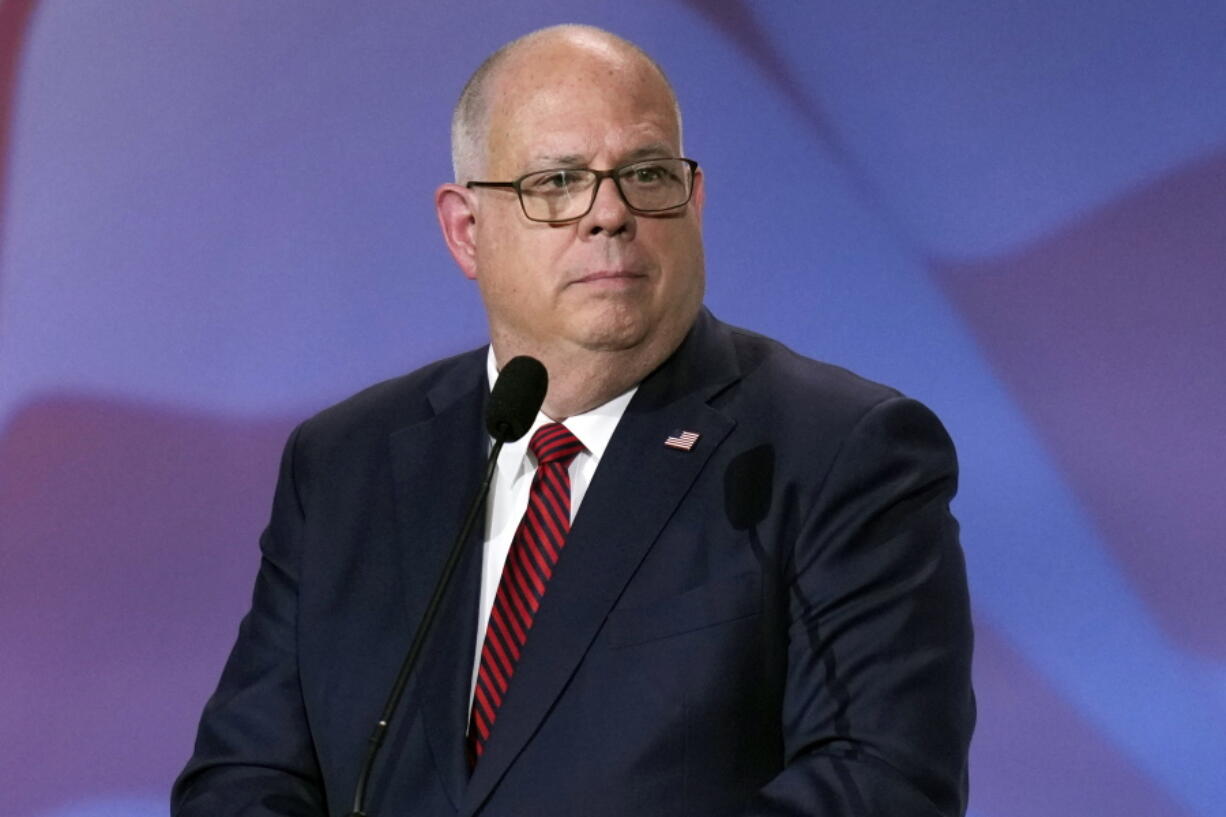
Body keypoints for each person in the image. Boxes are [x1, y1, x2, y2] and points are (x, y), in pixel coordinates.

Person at [173, 24, 974, 817]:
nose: (609, 214)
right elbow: (243, 778)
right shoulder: (348, 462)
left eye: (647, 174)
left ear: (694, 202)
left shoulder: (837, 450)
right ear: (466, 230)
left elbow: (882, 782)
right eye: (556, 182)